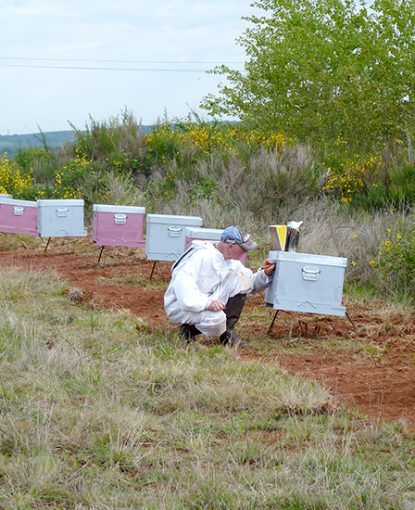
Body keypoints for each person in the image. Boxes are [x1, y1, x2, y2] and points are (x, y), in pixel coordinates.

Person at [163, 225, 276, 346]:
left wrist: (264, 273)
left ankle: (227, 333)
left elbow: (248, 283)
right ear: (231, 246)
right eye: (243, 248)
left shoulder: (229, 262)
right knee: (217, 319)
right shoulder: (200, 257)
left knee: (241, 280)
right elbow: (184, 290)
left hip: (203, 300)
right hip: (181, 306)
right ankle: (187, 331)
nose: (245, 252)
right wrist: (207, 303)